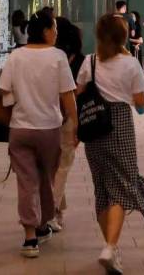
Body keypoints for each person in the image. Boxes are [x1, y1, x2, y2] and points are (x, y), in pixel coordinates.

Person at [77, 13, 144, 274]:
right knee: (122, 187)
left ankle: (111, 248)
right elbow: (140, 103)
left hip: (94, 127)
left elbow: (79, 94)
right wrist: (140, 107)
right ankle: (110, 247)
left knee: (102, 188)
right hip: (120, 126)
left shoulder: (90, 61)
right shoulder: (130, 64)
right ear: (123, 37)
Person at [0, 9, 77, 259]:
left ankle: (31, 236)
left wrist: (19, 103)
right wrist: (75, 124)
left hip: (20, 129)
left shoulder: (16, 56)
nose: (56, 33)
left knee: (26, 182)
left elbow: (3, 89)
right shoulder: (58, 56)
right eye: (54, 28)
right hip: (49, 129)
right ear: (45, 31)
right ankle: (43, 223)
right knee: (46, 178)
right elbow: (67, 94)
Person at [52, 17, 85, 230]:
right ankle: (53, 209)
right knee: (62, 166)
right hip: (69, 118)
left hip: (46, 116)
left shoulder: (50, 57)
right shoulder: (80, 60)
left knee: (55, 167)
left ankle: (55, 210)